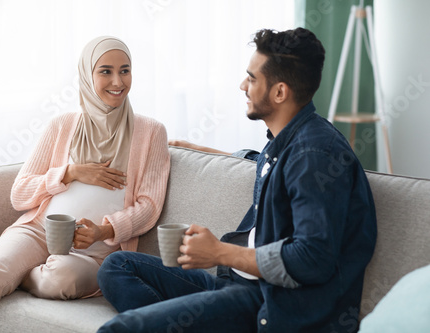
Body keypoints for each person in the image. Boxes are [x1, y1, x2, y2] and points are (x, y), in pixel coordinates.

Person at [96, 28, 377, 333]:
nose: (243, 86)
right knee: (117, 265)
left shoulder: (315, 154)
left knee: (120, 329)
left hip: (268, 302)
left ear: (279, 92)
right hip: (235, 282)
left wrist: (219, 252)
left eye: (252, 78)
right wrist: (206, 151)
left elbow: (313, 258)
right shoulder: (287, 142)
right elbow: (274, 170)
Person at [0, 36, 170, 333]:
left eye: (125, 70)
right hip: (39, 230)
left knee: (61, 280)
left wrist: (105, 230)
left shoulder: (151, 132)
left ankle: (20, 274)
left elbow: (149, 205)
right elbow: (20, 194)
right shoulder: (62, 124)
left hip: (95, 249)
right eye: (105, 71)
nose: (117, 81)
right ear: (86, 75)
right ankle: (0, 274)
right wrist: (69, 173)